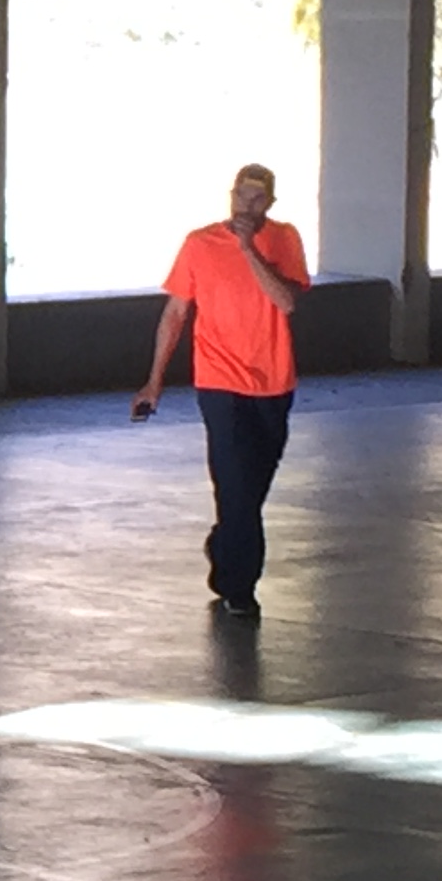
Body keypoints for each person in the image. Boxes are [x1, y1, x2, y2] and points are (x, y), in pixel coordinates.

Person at [133, 162, 311, 619]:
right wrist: (154, 380)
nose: (246, 206)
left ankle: (223, 545)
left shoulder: (284, 239)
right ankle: (241, 588)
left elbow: (286, 301)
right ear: (230, 196)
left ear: (270, 203)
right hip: (219, 381)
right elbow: (175, 314)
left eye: (257, 198)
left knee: (252, 488)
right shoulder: (199, 244)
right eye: (240, 196)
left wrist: (248, 249)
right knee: (233, 483)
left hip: (273, 382)